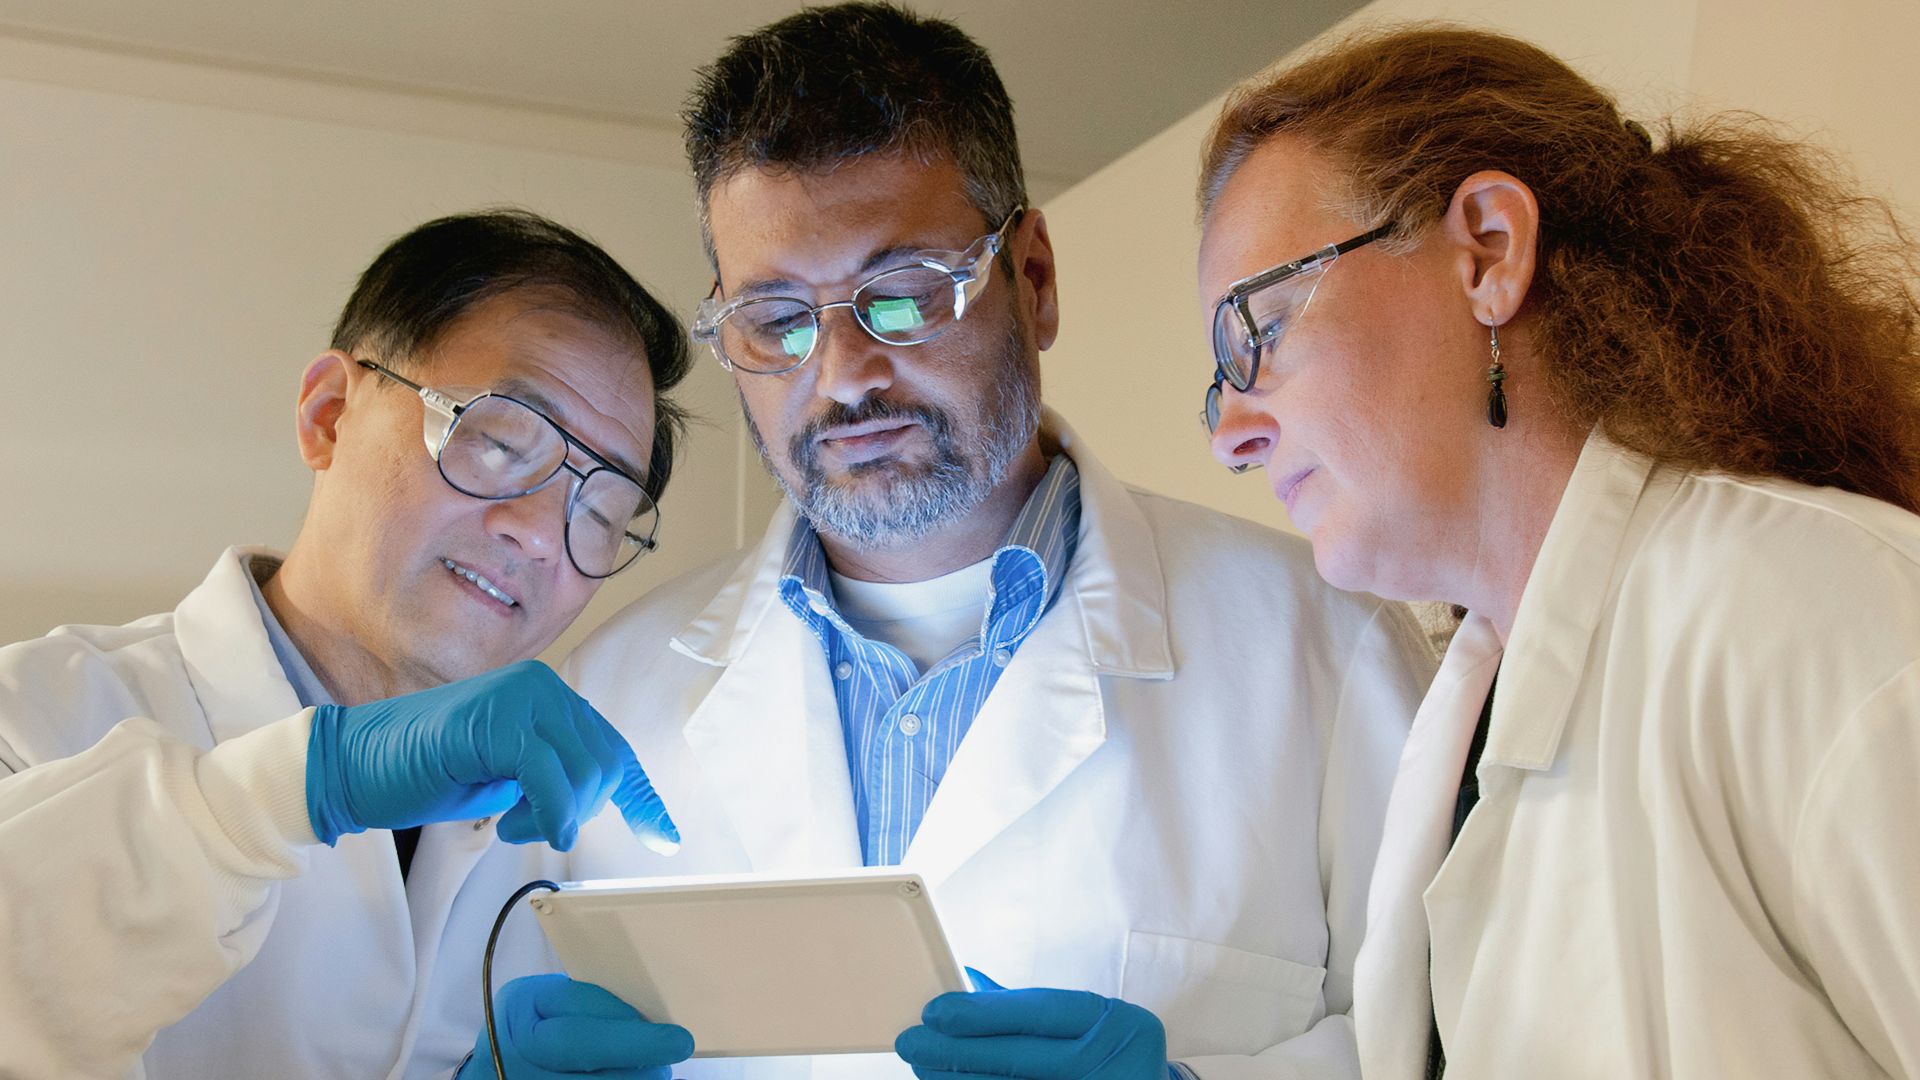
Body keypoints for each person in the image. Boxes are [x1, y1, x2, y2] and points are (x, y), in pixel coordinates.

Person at [556, 5, 1436, 1078]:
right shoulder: (608, 701)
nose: (842, 378)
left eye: (906, 294)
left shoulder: (1327, 648)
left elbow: (1456, 1040)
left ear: (1036, 279)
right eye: (777, 319)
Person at [1197, 25, 1920, 1080]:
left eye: (1253, 332)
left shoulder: (1817, 612)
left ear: (1488, 249)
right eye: (1220, 382)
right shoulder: (1459, 735)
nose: (1231, 434)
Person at [0, 209, 698, 1080]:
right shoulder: (32, 716)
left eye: (597, 511)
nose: (537, 533)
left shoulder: (571, 843)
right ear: (328, 414)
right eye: (498, 439)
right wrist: (282, 793)